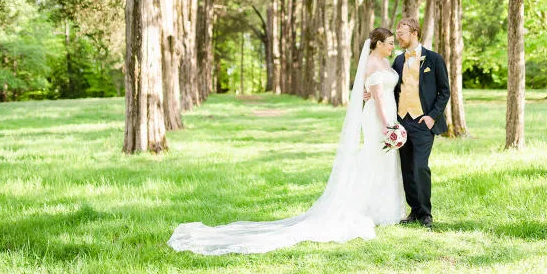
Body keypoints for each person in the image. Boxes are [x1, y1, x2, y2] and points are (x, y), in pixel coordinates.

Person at [167, 28, 404, 255]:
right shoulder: (373, 63)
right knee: (373, 158)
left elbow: (378, 90)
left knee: (383, 160)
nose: (393, 46)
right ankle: (367, 207)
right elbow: (379, 98)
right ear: (378, 44)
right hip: (378, 117)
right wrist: (386, 124)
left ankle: (381, 206)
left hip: (387, 114)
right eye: (390, 42)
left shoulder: (385, 62)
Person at [392, 18, 450, 228]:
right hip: (402, 122)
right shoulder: (398, 61)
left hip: (423, 122)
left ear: (415, 32)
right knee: (406, 168)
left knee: (420, 167)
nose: (399, 36)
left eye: (402, 32)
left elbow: (445, 91)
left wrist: (432, 116)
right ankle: (414, 211)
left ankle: (426, 214)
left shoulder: (434, 59)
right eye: (397, 32)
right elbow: (392, 90)